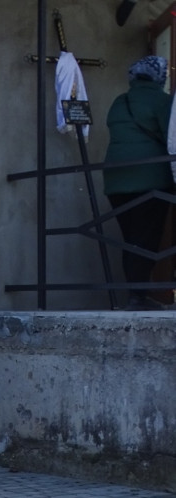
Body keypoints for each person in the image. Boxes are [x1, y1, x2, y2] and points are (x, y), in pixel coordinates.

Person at [103, 55, 175, 310]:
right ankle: (138, 298)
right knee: (147, 239)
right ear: (160, 77)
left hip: (115, 179)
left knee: (130, 239)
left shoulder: (119, 102)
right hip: (150, 178)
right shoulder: (163, 101)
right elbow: (172, 136)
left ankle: (135, 295)